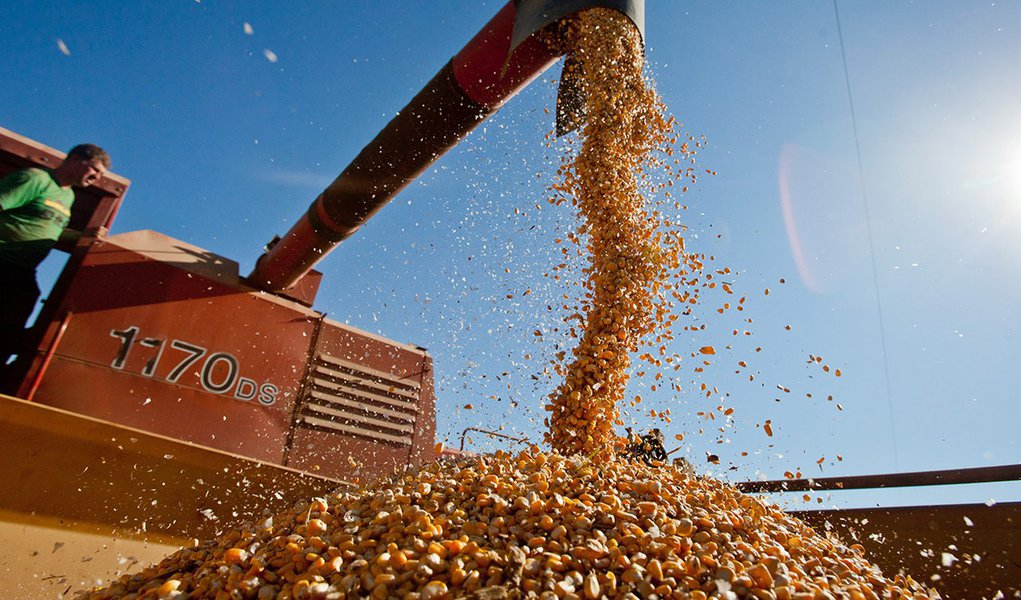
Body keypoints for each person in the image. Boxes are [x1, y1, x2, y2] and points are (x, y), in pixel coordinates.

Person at [0, 144, 110, 364]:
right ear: (75, 160)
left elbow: (50, 230)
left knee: (25, 301)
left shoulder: (67, 196)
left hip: (22, 270)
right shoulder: (36, 179)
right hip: (4, 259)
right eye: (94, 170)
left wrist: (85, 236)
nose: (97, 178)